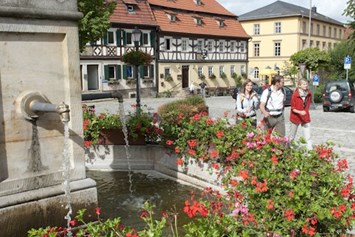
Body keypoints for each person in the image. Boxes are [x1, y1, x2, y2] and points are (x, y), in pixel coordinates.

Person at [288, 78, 312, 149]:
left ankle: (310, 152)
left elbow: (307, 105)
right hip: (295, 117)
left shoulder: (309, 93)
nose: (305, 86)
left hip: (305, 116)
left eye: (306, 84)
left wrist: (305, 112)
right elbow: (293, 108)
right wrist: (300, 112)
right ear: (299, 85)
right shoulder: (295, 95)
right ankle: (289, 149)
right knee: (292, 136)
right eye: (303, 84)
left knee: (308, 136)